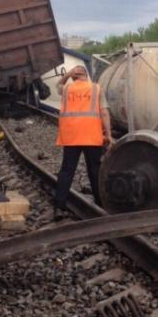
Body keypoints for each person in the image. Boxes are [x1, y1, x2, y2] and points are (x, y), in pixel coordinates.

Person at [53, 65, 112, 221]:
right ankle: (101, 204)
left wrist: (66, 75)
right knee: (94, 170)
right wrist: (109, 134)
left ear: (73, 76)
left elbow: (58, 84)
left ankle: (59, 207)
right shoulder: (96, 88)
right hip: (92, 136)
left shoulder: (67, 89)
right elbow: (104, 112)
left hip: (72, 137)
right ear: (86, 75)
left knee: (66, 171)